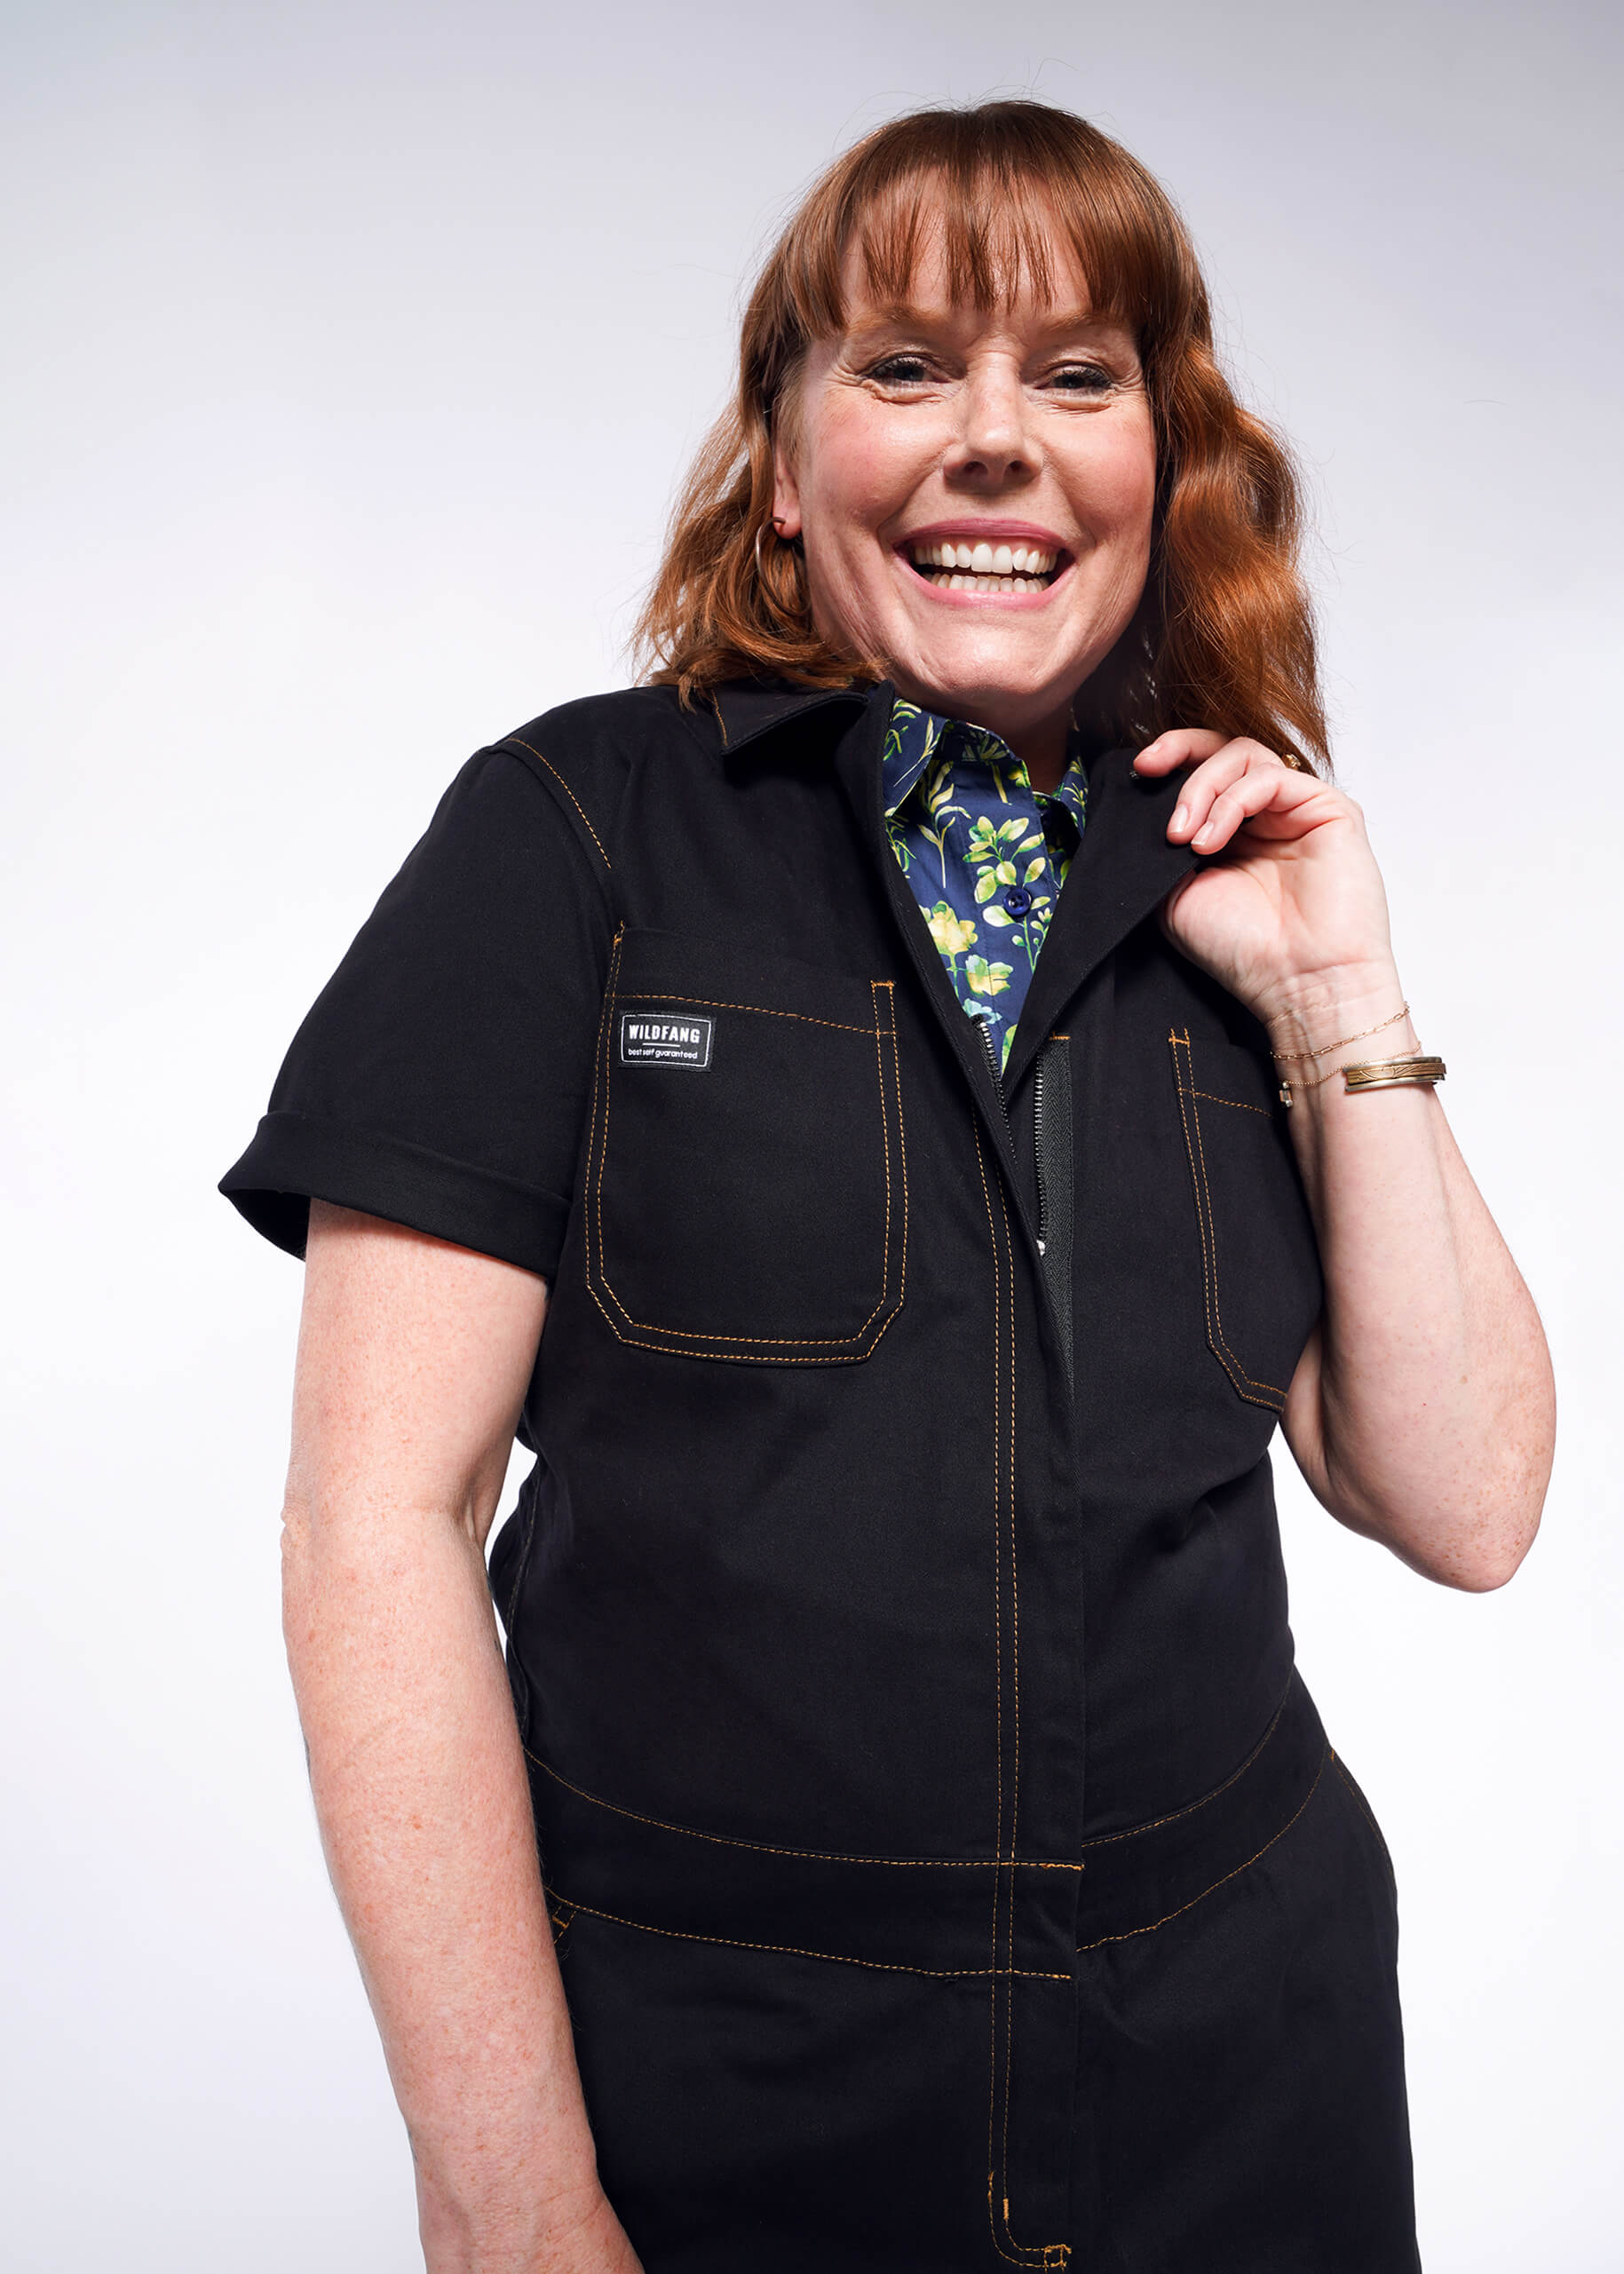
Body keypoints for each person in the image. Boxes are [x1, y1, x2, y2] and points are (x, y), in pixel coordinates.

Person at [222, 100, 1555, 2274]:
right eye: (909, 366)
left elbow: (1470, 1500)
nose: (997, 443)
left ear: (1163, 461)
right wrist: (514, 2210)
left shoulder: (1228, 887)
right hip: (729, 2119)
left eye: (1079, 374)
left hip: (1241, 2102)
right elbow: (370, 1537)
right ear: (782, 457)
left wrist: (1344, 994)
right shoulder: (571, 836)